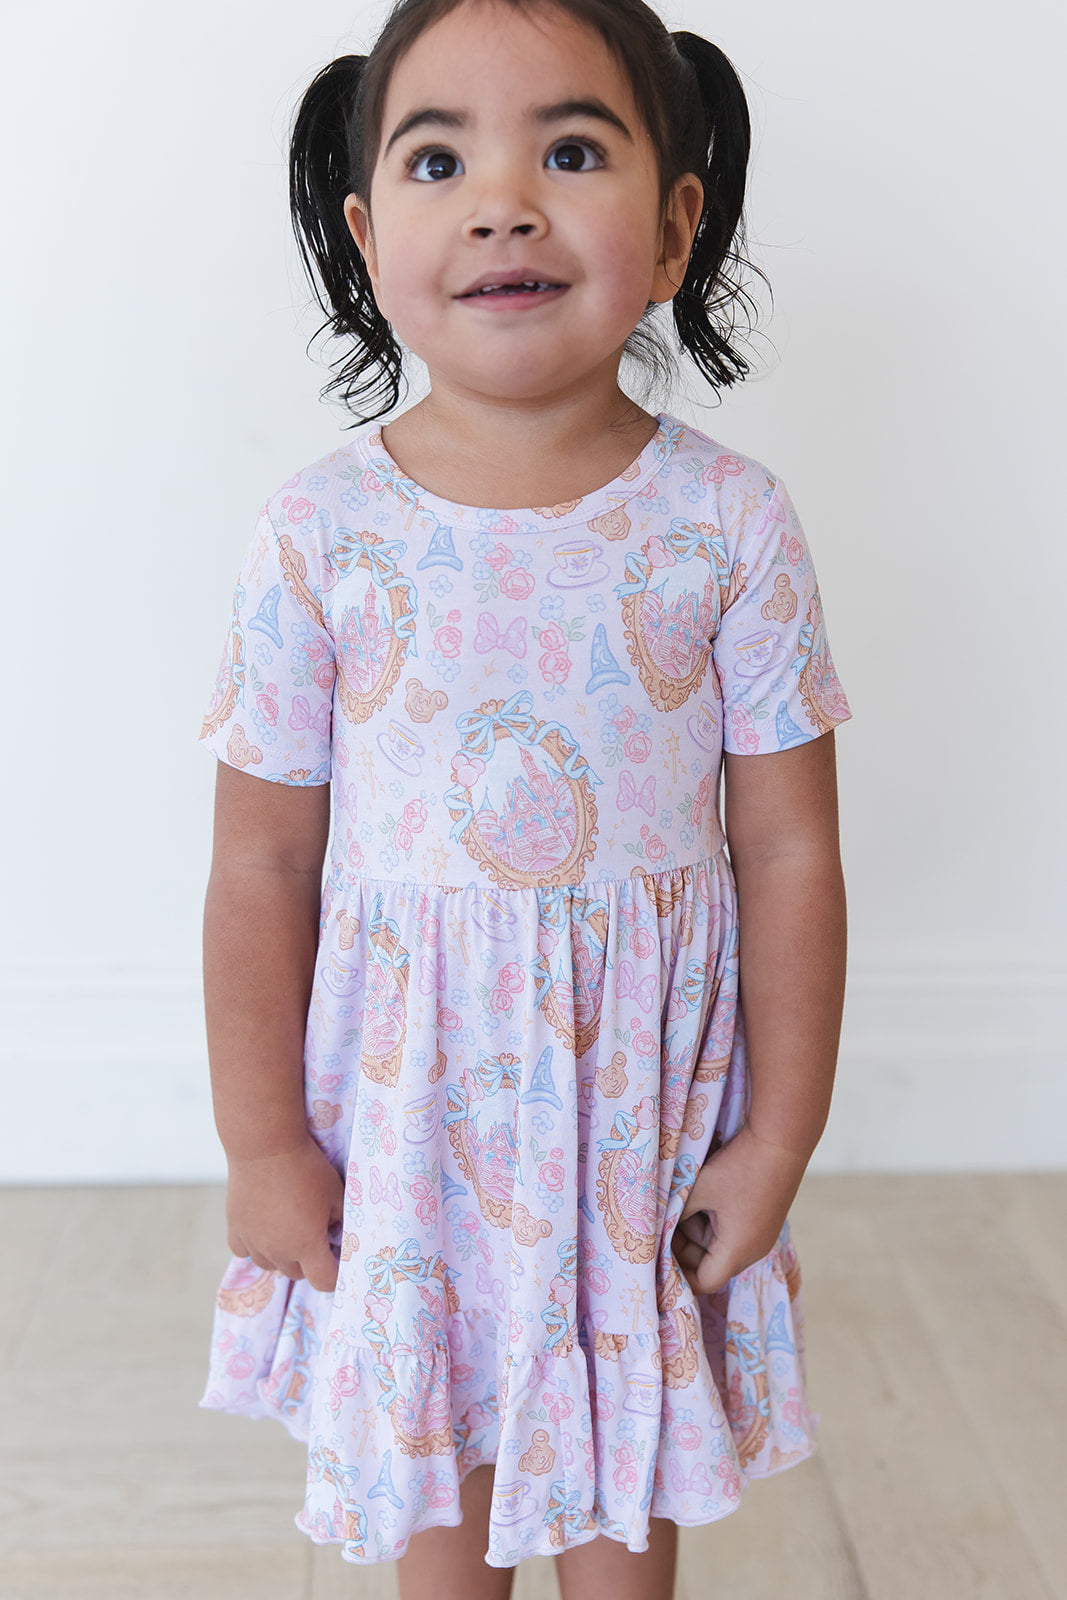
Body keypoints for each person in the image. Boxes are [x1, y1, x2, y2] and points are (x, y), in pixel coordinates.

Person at [197, 0, 853, 1595]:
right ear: (369, 238)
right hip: (410, 1127)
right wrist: (264, 1143)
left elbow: (789, 848)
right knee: (440, 1460)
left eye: (569, 151)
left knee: (624, 1476)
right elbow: (261, 864)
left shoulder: (730, 526)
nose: (503, 203)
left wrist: (779, 1136)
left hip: (635, 1125)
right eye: (440, 161)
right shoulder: (319, 535)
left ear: (676, 225)